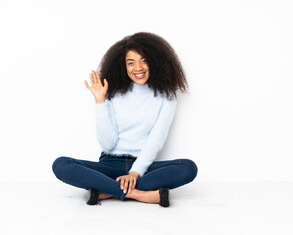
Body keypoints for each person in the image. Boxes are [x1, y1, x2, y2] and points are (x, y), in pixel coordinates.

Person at [52, 32, 198, 207]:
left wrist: (135, 172)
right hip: (110, 165)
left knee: (188, 167)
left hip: (143, 167)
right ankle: (140, 194)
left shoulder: (167, 96)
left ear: (156, 61)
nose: (138, 68)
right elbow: (107, 144)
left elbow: (156, 139)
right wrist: (100, 100)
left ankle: (106, 190)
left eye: (144, 60)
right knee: (61, 164)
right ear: (123, 65)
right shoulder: (113, 92)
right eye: (131, 62)